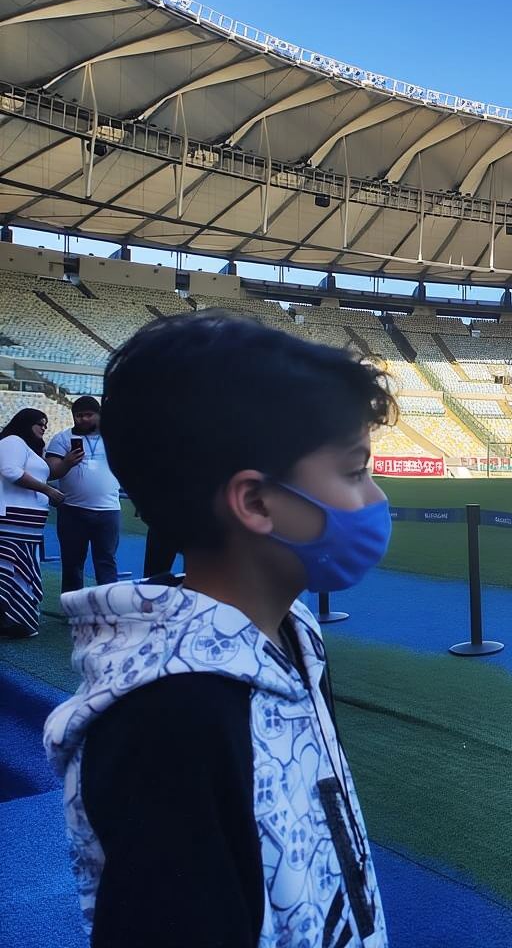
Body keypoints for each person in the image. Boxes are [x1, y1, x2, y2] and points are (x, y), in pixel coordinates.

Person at [44, 313, 394, 947]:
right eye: (353, 470)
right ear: (256, 503)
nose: (374, 496)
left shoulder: (296, 633)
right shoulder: (172, 719)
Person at [0, 408, 65, 639]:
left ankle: (15, 620)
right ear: (25, 422)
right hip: (11, 521)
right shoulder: (13, 441)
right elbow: (10, 471)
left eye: (46, 424)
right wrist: (47, 490)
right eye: (40, 422)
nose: (44, 427)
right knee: (7, 570)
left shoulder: (31, 448)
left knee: (19, 571)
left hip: (27, 524)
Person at [46, 396, 122, 593]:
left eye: (89, 415)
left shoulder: (114, 437)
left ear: (99, 415)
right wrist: (66, 463)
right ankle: (72, 609)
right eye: (79, 415)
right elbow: (51, 471)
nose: (84, 419)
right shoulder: (62, 438)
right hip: (72, 510)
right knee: (72, 563)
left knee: (106, 562)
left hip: (108, 510)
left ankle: (107, 606)